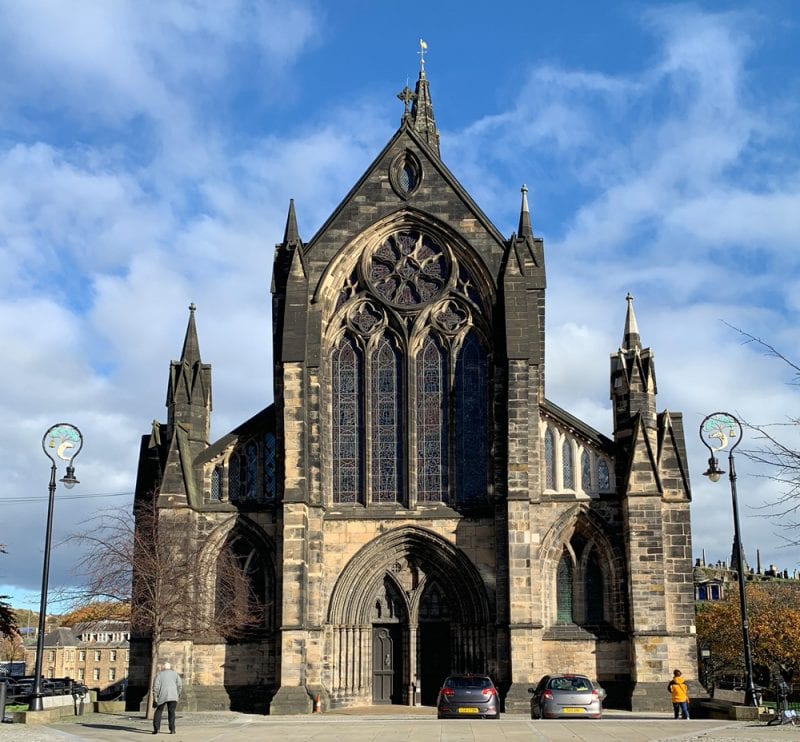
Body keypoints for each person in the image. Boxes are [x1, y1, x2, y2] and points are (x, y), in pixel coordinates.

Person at [152, 661, 182, 735]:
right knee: (171, 712)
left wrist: (155, 697)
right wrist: (178, 694)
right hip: (173, 696)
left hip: (162, 695)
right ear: (170, 667)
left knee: (158, 711)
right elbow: (180, 685)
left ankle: (157, 729)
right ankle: (172, 730)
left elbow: (156, 687)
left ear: (163, 668)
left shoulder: (159, 674)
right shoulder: (175, 674)